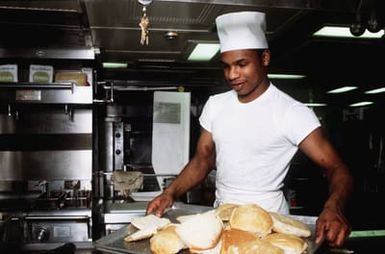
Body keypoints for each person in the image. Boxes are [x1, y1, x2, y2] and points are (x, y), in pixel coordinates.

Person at [146, 11, 353, 247]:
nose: (232, 75)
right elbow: (202, 161)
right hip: (222, 223)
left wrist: (333, 206)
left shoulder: (291, 113)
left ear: (265, 58)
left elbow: (338, 168)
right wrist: (169, 193)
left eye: (241, 64)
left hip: (271, 228)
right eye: (226, 66)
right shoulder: (216, 105)